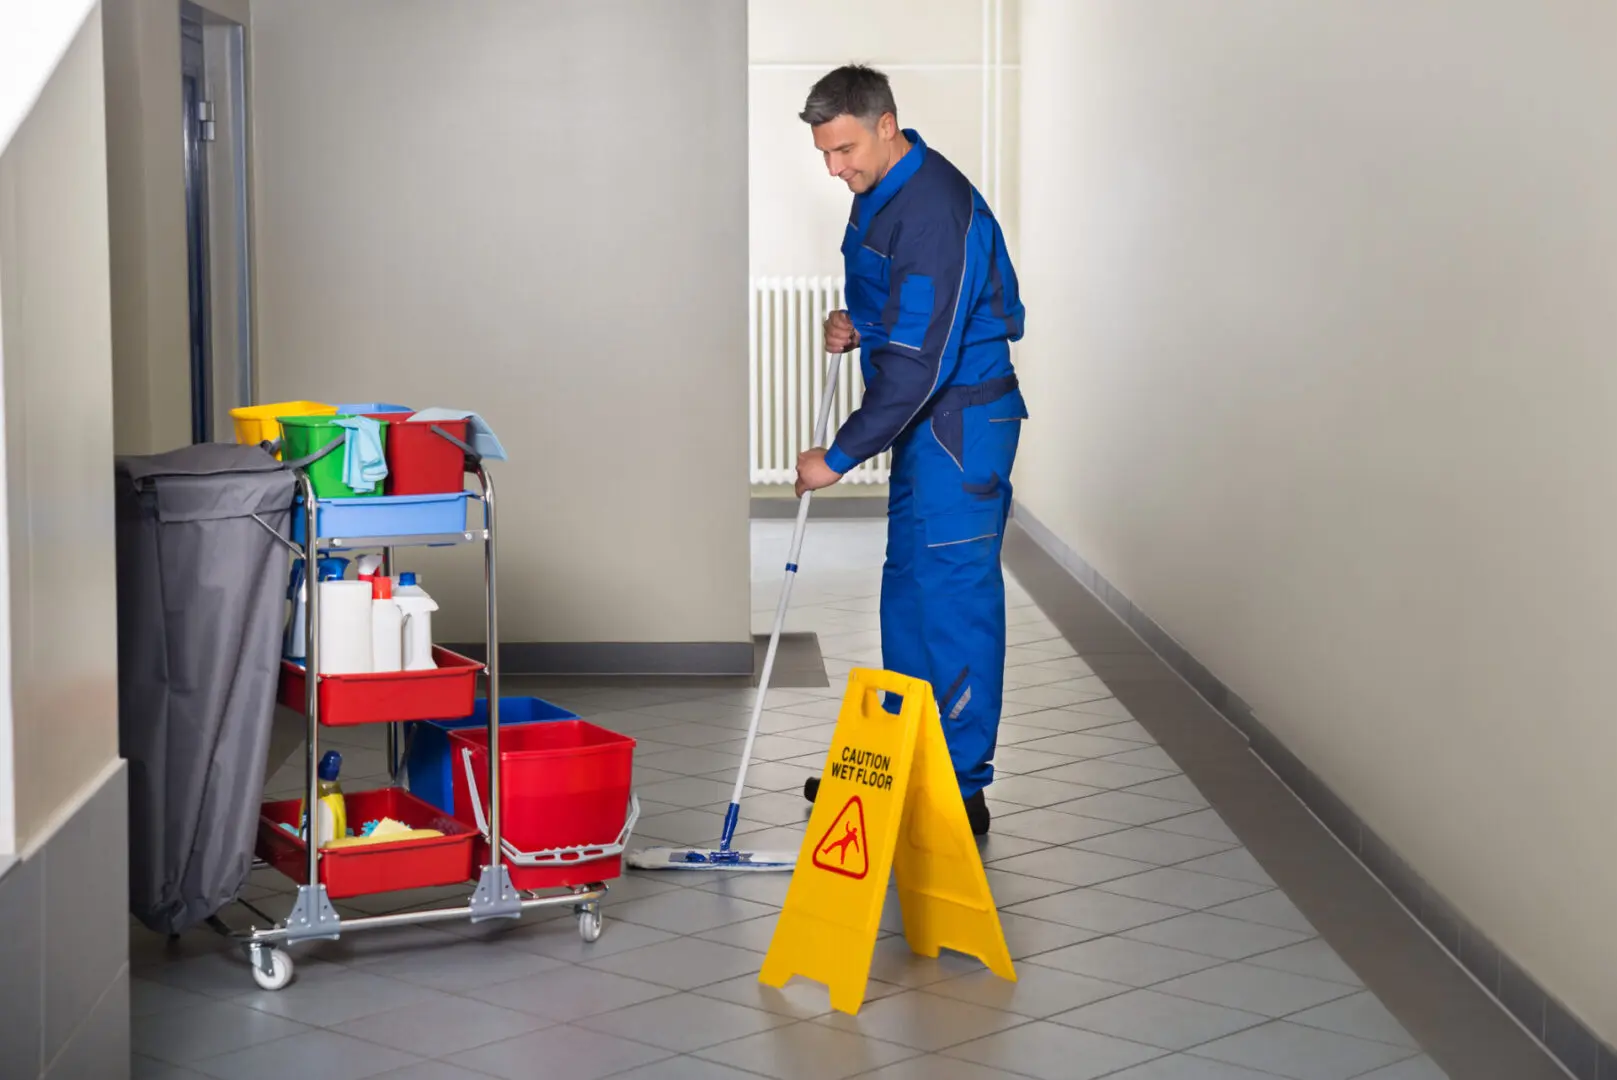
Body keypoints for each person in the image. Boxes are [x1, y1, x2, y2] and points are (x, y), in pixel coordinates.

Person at [793, 65, 1026, 836]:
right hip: (928, 426)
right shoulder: (880, 191)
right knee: (908, 591)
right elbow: (901, 310)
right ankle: (904, 762)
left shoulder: (931, 209)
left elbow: (923, 359)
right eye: (826, 154)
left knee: (953, 600)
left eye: (845, 150)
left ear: (886, 125)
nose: (835, 168)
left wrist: (837, 456)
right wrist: (854, 323)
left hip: (960, 426)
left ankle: (959, 787)